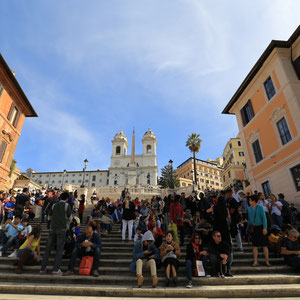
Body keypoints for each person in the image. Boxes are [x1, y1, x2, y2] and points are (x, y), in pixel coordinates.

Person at [40, 191, 72, 275]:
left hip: (52, 228)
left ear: (60, 198)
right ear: (67, 198)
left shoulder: (54, 205)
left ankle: (42, 269)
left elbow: (49, 218)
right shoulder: (67, 206)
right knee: (59, 249)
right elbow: (70, 219)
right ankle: (56, 269)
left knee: (48, 249)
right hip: (62, 229)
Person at [248, 194, 270, 267]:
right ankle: (255, 261)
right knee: (254, 246)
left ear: (254, 200)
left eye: (250, 200)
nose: (249, 201)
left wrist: (265, 228)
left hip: (261, 228)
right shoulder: (249, 208)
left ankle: (267, 262)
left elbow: (264, 218)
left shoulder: (260, 207)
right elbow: (249, 219)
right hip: (253, 228)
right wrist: (248, 228)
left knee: (264, 245)